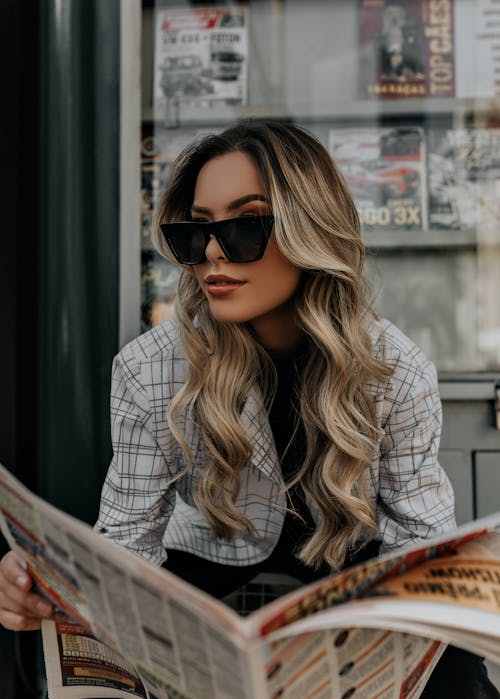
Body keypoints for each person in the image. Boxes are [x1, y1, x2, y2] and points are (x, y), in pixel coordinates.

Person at [0, 120, 497, 697]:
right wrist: (43, 585)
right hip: (208, 563)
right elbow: (124, 541)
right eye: (197, 230)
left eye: (246, 226)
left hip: (349, 568)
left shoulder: (396, 371)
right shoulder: (149, 368)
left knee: (457, 673)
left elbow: (419, 540)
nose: (211, 251)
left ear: (310, 229)